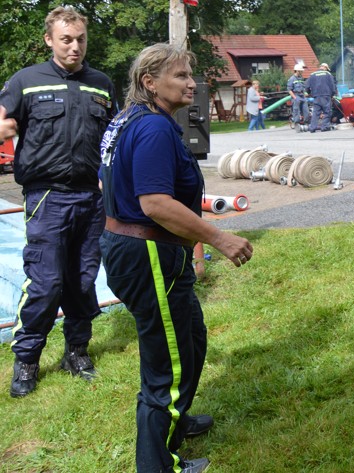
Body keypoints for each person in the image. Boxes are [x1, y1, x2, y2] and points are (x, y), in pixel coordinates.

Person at [99, 43, 253, 473]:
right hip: (149, 251)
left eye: (190, 75)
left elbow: (109, 185)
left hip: (144, 248)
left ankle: (176, 419)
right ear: (150, 82)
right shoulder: (152, 128)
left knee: (191, 337)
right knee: (166, 360)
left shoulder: (127, 119)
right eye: (181, 76)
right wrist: (218, 239)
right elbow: (154, 203)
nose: (192, 84)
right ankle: (158, 465)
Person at [0, 6, 116, 398]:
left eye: (80, 39)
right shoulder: (25, 81)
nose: (74, 47)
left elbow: (113, 139)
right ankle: (27, 361)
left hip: (91, 198)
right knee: (46, 283)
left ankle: (76, 352)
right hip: (47, 197)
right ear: (49, 39)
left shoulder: (101, 84)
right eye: (66, 39)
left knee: (83, 280)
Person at [306, 63, 337, 133]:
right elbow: (333, 86)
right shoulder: (328, 74)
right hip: (326, 96)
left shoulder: (312, 75)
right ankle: (324, 127)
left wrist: (310, 93)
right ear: (325, 68)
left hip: (316, 96)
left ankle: (312, 128)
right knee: (327, 112)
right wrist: (332, 94)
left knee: (315, 113)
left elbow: (307, 86)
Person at [287, 65, 309, 130]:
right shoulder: (292, 79)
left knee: (306, 110)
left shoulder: (301, 78)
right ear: (297, 71)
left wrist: (305, 94)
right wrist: (295, 98)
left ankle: (305, 122)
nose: (302, 72)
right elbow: (289, 90)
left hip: (302, 96)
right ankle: (297, 123)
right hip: (296, 95)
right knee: (296, 111)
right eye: (301, 71)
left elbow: (303, 87)